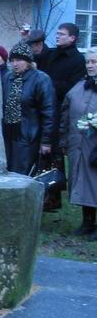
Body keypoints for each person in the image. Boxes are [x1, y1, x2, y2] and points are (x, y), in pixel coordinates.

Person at [43, 23, 86, 210]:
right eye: (57, 33)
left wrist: (48, 83)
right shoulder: (52, 54)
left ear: (72, 38)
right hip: (45, 108)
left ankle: (52, 198)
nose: (57, 36)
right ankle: (41, 194)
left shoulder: (77, 60)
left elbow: (72, 88)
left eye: (62, 34)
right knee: (43, 154)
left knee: (55, 155)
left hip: (60, 111)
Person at [1, 42, 55, 176]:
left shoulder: (41, 79)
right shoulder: (8, 78)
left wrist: (46, 141)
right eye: (12, 60)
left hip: (28, 137)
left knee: (22, 175)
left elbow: (49, 112)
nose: (15, 64)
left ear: (28, 62)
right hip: (8, 134)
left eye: (19, 60)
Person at [59, 48, 97, 239]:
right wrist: (64, 139)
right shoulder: (78, 87)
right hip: (78, 145)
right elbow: (65, 114)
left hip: (94, 147)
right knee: (82, 183)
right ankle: (87, 222)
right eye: (88, 62)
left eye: (94, 62)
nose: (90, 65)